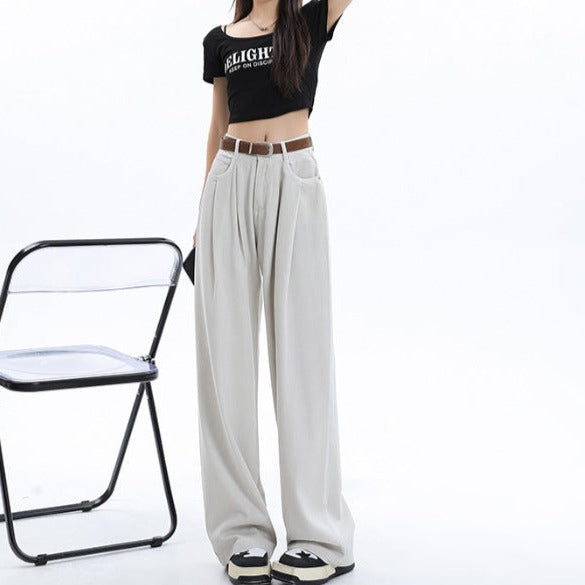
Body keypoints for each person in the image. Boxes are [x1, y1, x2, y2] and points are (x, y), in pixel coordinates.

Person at [193, 1, 355, 583]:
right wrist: (200, 220)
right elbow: (217, 124)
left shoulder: (309, 23)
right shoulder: (219, 39)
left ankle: (320, 535)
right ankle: (242, 533)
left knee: (304, 357)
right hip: (230, 180)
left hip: (294, 175)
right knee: (226, 367)